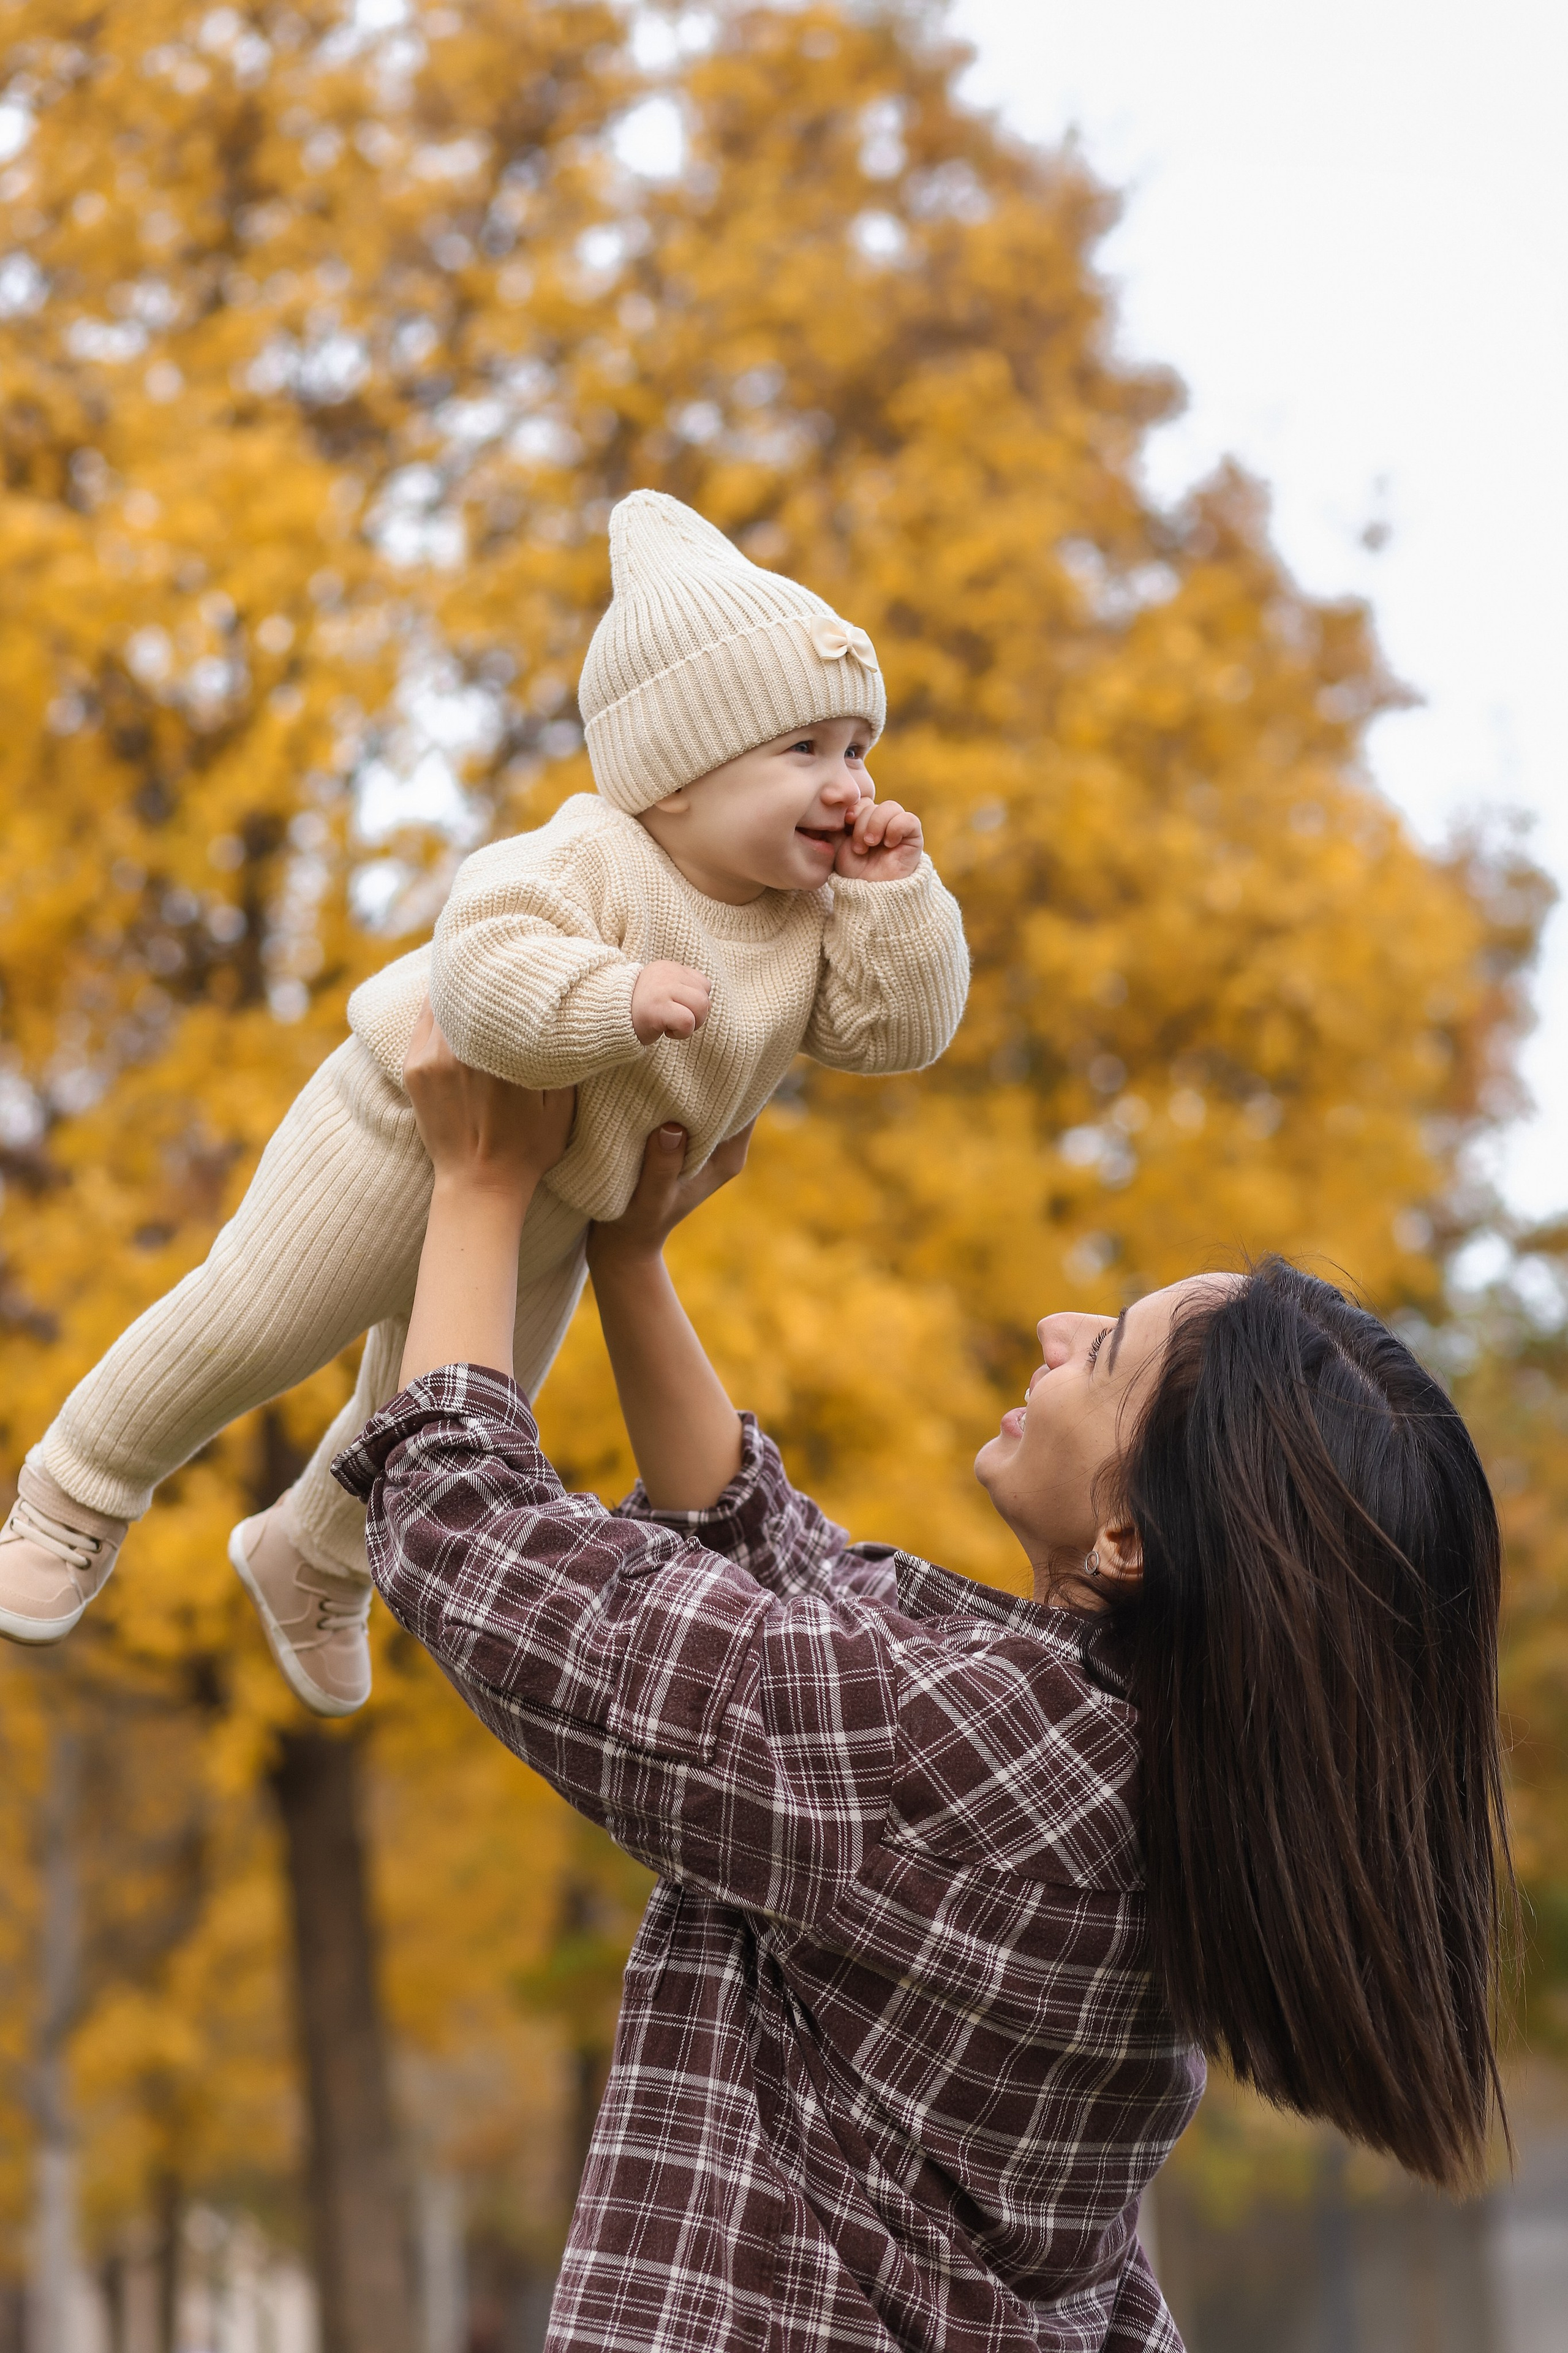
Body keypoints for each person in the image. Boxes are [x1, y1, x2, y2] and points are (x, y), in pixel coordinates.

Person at [331, 1018, 1511, 2352]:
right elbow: (790, 1583)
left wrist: (480, 1185)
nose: (1057, 1326)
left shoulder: (943, 1758)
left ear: (1128, 1539)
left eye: (1106, 1349)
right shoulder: (1140, 1771)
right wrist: (627, 1256)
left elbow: (465, 1539)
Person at [0, 491, 968, 1716]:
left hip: (558, 1198)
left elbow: (893, 1031)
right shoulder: (589, 856)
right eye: (804, 751)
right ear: (673, 777)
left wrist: (897, 896)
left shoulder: (812, 921)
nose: (845, 785)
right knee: (256, 1319)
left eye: (855, 749)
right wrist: (608, 998)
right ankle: (71, 1498)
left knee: (454, 1414)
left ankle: (310, 1555)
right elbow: (483, 965)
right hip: (403, 1130)